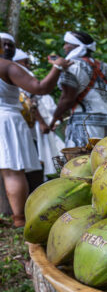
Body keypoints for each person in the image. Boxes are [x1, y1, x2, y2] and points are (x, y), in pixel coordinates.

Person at [0, 32, 71, 228]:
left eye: (10, 45)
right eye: (3, 44)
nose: (6, 48)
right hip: (6, 120)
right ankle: (20, 219)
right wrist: (58, 67)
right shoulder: (8, 67)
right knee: (13, 171)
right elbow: (40, 88)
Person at [49, 31, 107, 147]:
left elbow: (67, 99)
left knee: (82, 162)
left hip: (85, 126)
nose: (64, 47)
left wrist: (55, 117)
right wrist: (105, 109)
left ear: (76, 46)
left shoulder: (71, 66)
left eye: (67, 44)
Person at [14, 49, 65, 177]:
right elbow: (28, 100)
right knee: (38, 155)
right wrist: (42, 123)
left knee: (45, 153)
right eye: (25, 62)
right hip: (32, 123)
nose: (28, 65)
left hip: (35, 122)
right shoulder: (17, 73)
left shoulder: (23, 73)